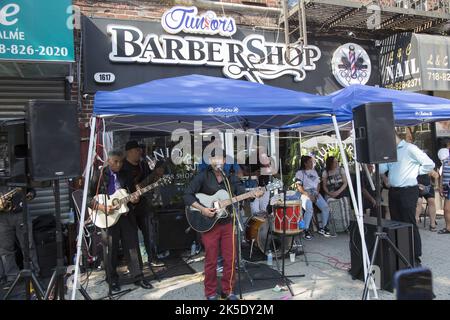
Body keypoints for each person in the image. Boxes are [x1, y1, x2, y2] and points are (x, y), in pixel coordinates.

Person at [183, 151, 263, 300]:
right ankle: (210, 293)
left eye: (220, 158)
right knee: (211, 259)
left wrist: (252, 194)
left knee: (230, 258)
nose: (217, 161)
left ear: (225, 160)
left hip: (228, 223)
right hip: (209, 223)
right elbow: (187, 194)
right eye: (214, 158)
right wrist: (203, 209)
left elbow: (241, 192)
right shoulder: (202, 176)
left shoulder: (231, 178)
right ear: (210, 160)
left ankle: (228, 290)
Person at [88, 150, 153, 291]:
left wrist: (135, 199)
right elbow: (87, 199)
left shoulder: (126, 174)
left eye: (121, 161)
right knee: (110, 250)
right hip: (106, 216)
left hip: (125, 216)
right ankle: (112, 280)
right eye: (116, 161)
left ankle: (138, 277)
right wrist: (101, 207)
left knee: (133, 247)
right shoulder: (99, 176)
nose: (119, 164)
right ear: (108, 161)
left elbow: (130, 195)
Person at [379, 133, 435, 267]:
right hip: (394, 191)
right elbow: (382, 168)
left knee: (409, 222)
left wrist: (416, 171)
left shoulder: (410, 148)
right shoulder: (390, 151)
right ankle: (402, 252)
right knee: (396, 222)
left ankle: (415, 256)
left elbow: (429, 164)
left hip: (408, 190)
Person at [121, 140, 164, 268]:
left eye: (140, 150)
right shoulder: (122, 167)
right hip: (127, 206)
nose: (140, 152)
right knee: (130, 236)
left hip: (143, 204)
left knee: (149, 232)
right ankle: (132, 264)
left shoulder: (143, 165)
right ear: (129, 152)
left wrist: (156, 176)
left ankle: (153, 258)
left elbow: (149, 183)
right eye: (136, 150)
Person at [0, 186, 40, 289]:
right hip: (2, 217)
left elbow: (31, 190)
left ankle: (33, 273)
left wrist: (30, 194)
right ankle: (11, 278)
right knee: (5, 250)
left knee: (28, 245)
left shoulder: (19, 170)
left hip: (21, 213)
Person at [295, 155, 331, 240]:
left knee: (325, 207)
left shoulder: (314, 171)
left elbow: (318, 184)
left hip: (315, 192)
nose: (312, 163)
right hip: (304, 193)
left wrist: (317, 193)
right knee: (309, 208)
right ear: (305, 163)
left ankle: (323, 227)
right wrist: (308, 195)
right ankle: (305, 230)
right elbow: (299, 187)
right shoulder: (299, 173)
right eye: (310, 162)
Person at [437, 148, 450, 235]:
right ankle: (448, 227)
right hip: (447, 188)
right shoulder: (444, 163)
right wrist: (441, 187)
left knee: (446, 209)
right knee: (446, 209)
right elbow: (441, 176)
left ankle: (448, 227)